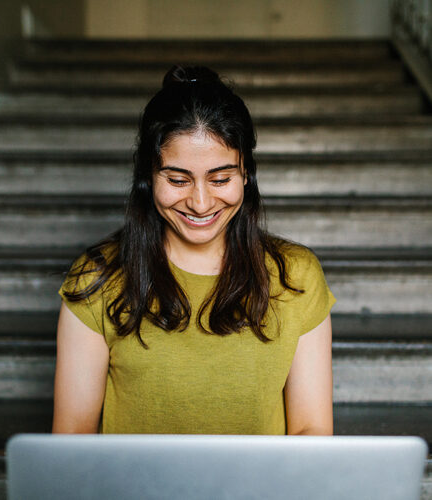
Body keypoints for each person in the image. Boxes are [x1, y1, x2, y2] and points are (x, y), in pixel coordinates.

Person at [53, 65, 336, 436]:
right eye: (177, 179)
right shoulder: (98, 276)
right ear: (148, 176)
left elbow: (311, 433)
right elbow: (72, 441)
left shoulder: (296, 276)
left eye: (220, 179)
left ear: (246, 174)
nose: (200, 203)